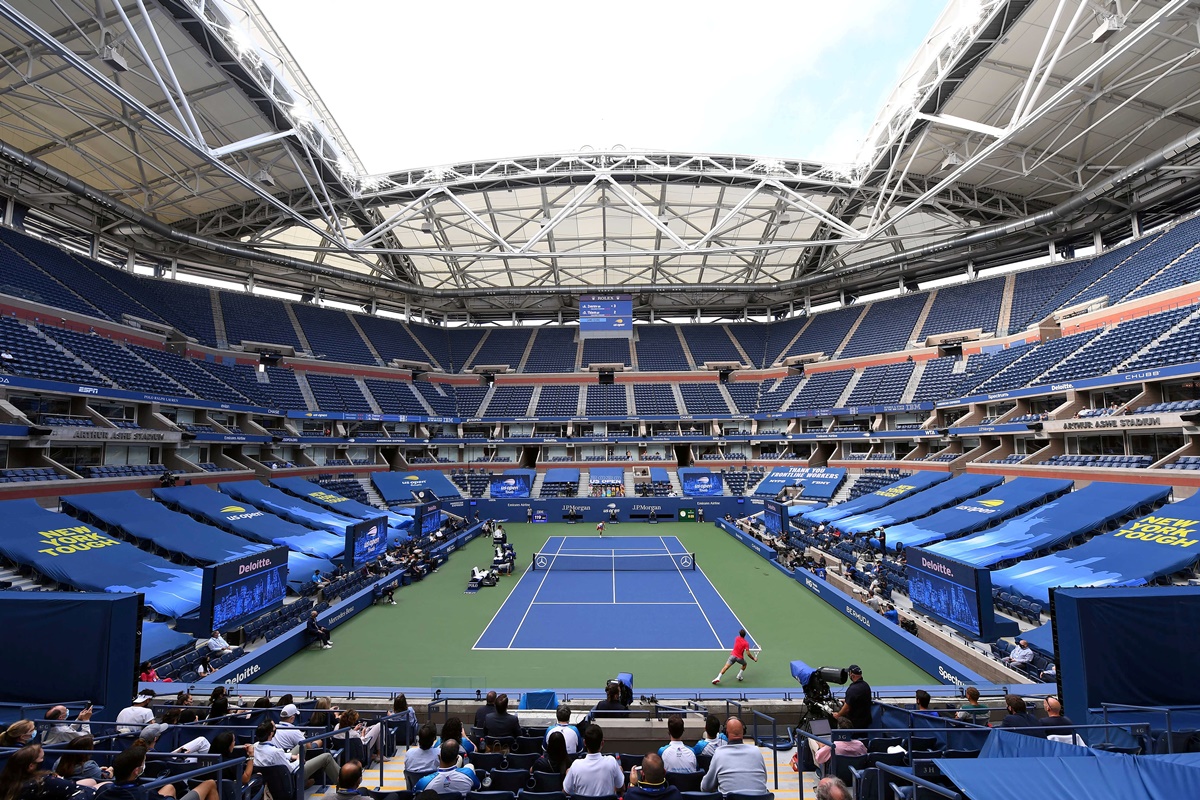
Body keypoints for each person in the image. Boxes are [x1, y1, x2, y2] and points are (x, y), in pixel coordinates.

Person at [95, 745, 219, 800]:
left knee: (169, 787)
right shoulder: (143, 794)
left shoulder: (103, 789)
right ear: (136, 771)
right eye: (143, 762)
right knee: (210, 784)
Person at [250, 719, 341, 785]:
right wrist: (299, 760)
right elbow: (290, 769)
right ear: (270, 734)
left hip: (273, 774)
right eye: (274, 728)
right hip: (292, 775)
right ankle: (345, 783)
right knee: (327, 757)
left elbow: (273, 756)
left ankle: (304, 782)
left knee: (303, 745)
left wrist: (290, 756)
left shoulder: (254, 746)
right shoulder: (276, 752)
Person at [699, 718, 767, 796]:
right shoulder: (756, 751)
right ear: (743, 732)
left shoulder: (719, 753)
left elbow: (706, 787)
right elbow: (764, 779)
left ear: (726, 733)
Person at [1, 744, 95, 800]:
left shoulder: (7, 782)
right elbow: (73, 788)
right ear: (31, 766)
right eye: (42, 758)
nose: (44, 760)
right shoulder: (43, 781)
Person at [563, 725, 623, 797]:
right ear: (602, 743)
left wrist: (568, 775)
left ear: (584, 743)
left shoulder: (576, 765)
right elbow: (621, 787)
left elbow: (566, 791)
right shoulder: (612, 762)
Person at [413, 741, 479, 795]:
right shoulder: (469, 774)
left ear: (439, 757)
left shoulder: (424, 782)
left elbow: (414, 793)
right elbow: (478, 786)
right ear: (457, 759)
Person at [832, 665, 872, 731]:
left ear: (852, 675)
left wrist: (838, 715)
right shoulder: (866, 685)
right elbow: (859, 701)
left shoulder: (852, 689)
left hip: (854, 723)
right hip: (865, 722)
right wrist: (847, 701)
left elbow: (847, 709)